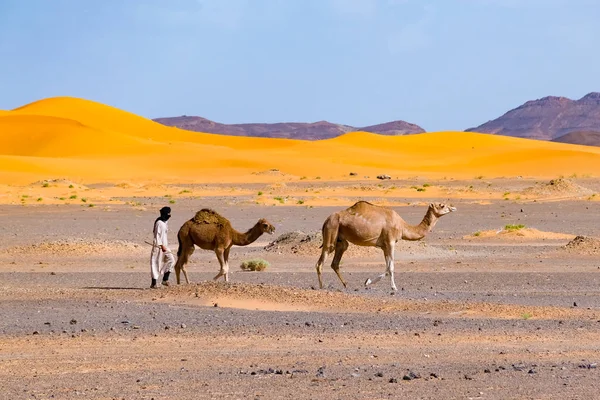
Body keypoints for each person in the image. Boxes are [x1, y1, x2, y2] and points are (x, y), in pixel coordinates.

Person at [150, 206, 175, 288]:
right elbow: (157, 235)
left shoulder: (165, 222)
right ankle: (153, 284)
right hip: (158, 246)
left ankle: (165, 279)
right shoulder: (159, 223)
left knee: (171, 260)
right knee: (155, 263)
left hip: (165, 246)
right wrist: (161, 245)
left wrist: (164, 246)